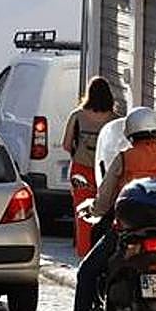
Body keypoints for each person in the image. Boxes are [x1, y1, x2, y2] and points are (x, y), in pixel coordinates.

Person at [57, 106, 156, 311]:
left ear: (130, 131)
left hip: (127, 232)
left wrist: (92, 209)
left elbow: (104, 199)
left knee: (87, 271)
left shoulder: (125, 158)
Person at [61, 77, 120, 257]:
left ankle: (84, 255)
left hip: (81, 171)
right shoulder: (115, 120)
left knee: (83, 214)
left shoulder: (77, 116)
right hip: (106, 172)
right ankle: (103, 253)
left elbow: (66, 144)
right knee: (107, 212)